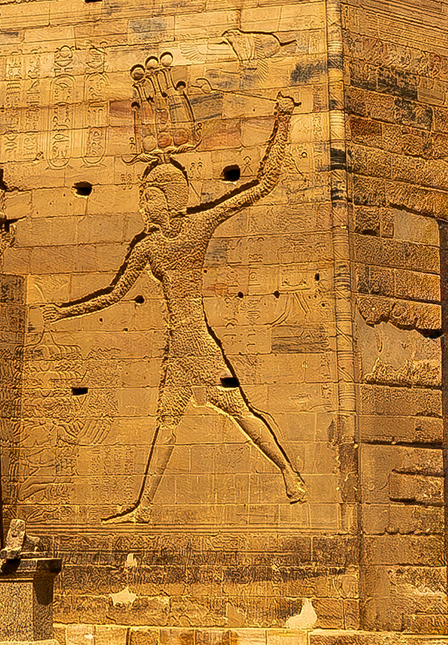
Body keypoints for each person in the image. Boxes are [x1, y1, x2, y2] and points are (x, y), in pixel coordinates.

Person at [51, 97, 305, 521]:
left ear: (168, 200)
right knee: (167, 425)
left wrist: (282, 122)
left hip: (197, 345)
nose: (143, 206)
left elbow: (262, 185)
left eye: (149, 198)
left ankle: (291, 476)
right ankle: (144, 508)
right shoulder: (147, 247)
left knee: (239, 412)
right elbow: (115, 294)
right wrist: (68, 311)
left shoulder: (197, 225)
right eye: (142, 198)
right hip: (178, 345)